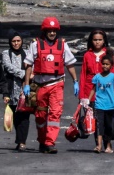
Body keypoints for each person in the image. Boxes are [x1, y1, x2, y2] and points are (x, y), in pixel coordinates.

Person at [22, 16, 79, 154]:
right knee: (40, 116)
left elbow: (69, 64)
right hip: (40, 85)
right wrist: (27, 83)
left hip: (57, 83)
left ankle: (50, 142)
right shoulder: (36, 45)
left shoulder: (63, 45)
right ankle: (42, 140)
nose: (52, 33)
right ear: (44, 31)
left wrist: (75, 81)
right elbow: (28, 65)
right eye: (49, 30)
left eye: (54, 30)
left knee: (55, 113)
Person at [87, 54, 114, 153]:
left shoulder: (113, 77)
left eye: (107, 64)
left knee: (109, 126)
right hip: (99, 104)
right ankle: (99, 146)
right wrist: (88, 100)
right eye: (103, 64)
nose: (105, 66)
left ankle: (108, 145)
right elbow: (93, 89)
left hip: (110, 105)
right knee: (99, 125)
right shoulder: (97, 77)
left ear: (111, 66)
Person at [1, 34, 30, 151]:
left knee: (24, 116)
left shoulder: (27, 53)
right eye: (14, 41)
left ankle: (22, 141)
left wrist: (29, 77)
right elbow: (8, 67)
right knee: (14, 116)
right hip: (11, 89)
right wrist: (25, 74)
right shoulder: (6, 53)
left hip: (25, 90)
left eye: (18, 41)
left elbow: (32, 65)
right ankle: (19, 139)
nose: (16, 43)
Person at [79, 29, 114, 112]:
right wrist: (82, 96)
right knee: (90, 121)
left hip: (105, 93)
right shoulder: (87, 55)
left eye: (100, 40)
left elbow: (113, 75)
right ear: (91, 41)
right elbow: (83, 75)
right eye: (95, 40)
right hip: (89, 93)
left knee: (102, 121)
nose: (97, 42)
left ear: (104, 40)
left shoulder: (108, 54)